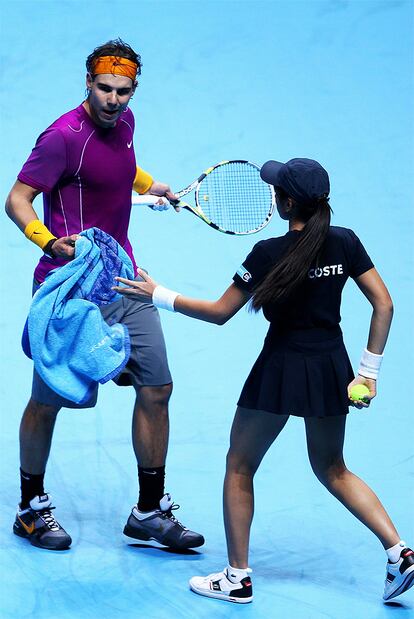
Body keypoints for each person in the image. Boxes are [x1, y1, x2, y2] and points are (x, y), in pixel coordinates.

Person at [113, 158, 414, 603]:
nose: (271, 193)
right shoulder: (346, 242)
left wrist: (158, 295)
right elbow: (384, 304)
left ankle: (237, 577)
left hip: (280, 369)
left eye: (276, 189)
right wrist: (367, 375)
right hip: (332, 366)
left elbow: (219, 313)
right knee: (333, 468)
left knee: (239, 465)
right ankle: (400, 553)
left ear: (286, 202)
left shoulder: (268, 254)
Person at [5, 38, 204, 552]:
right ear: (87, 83)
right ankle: (30, 509)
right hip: (69, 289)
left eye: (124, 91)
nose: (113, 100)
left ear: (134, 89)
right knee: (48, 401)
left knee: (157, 387)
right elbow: (17, 200)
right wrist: (49, 242)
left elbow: (121, 168)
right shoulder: (62, 138)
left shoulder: (126, 124)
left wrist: (151, 185)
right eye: (104, 89)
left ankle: (149, 513)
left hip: (122, 277)